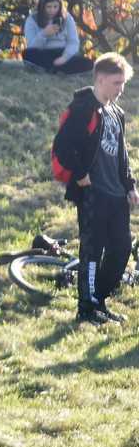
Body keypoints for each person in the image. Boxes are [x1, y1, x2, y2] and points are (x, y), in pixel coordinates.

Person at [52, 52, 138, 326]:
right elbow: (62, 144)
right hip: (93, 194)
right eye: (116, 83)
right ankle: (86, 309)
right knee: (92, 253)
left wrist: (130, 185)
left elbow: (122, 155)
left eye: (123, 83)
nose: (120, 88)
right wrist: (79, 173)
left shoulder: (116, 112)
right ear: (100, 81)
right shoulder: (84, 108)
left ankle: (99, 300)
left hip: (116, 195)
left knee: (122, 249)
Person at [23, 0, 94, 74]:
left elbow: (73, 42)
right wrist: (44, 33)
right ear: (42, 5)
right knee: (28, 54)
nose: (52, 10)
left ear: (60, 6)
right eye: (49, 7)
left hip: (63, 53)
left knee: (88, 63)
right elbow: (32, 47)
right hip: (43, 53)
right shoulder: (32, 19)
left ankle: (57, 69)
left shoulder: (67, 18)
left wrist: (64, 58)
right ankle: (51, 68)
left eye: (55, 7)